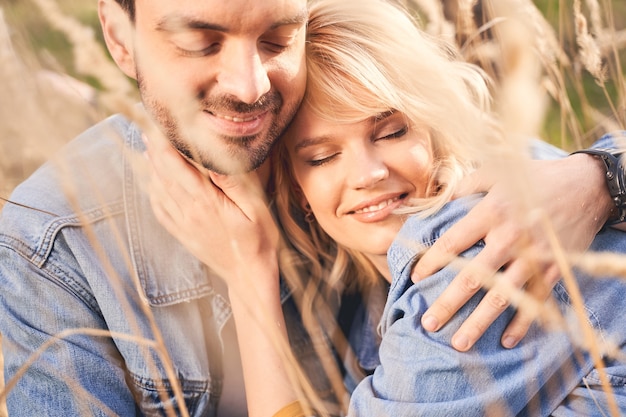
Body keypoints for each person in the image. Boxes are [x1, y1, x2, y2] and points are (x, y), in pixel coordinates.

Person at [0, 0, 622, 415]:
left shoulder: (468, 240)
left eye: (277, 37)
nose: (250, 87)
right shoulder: (50, 247)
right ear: (119, 36)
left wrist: (602, 176)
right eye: (199, 40)